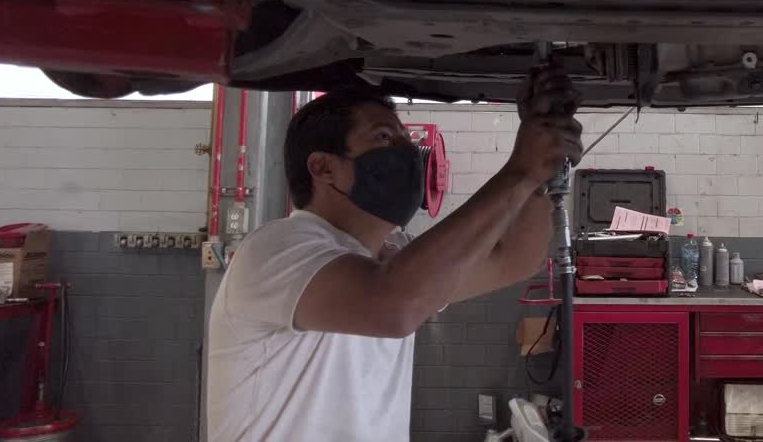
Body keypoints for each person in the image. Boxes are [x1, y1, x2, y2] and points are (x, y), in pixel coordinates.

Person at [206, 65, 582, 441]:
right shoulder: (278, 249)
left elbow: (514, 259)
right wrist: (518, 170)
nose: (408, 154)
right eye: (384, 137)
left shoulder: (393, 257)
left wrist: (536, 178)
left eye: (405, 138)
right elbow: (393, 306)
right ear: (324, 167)